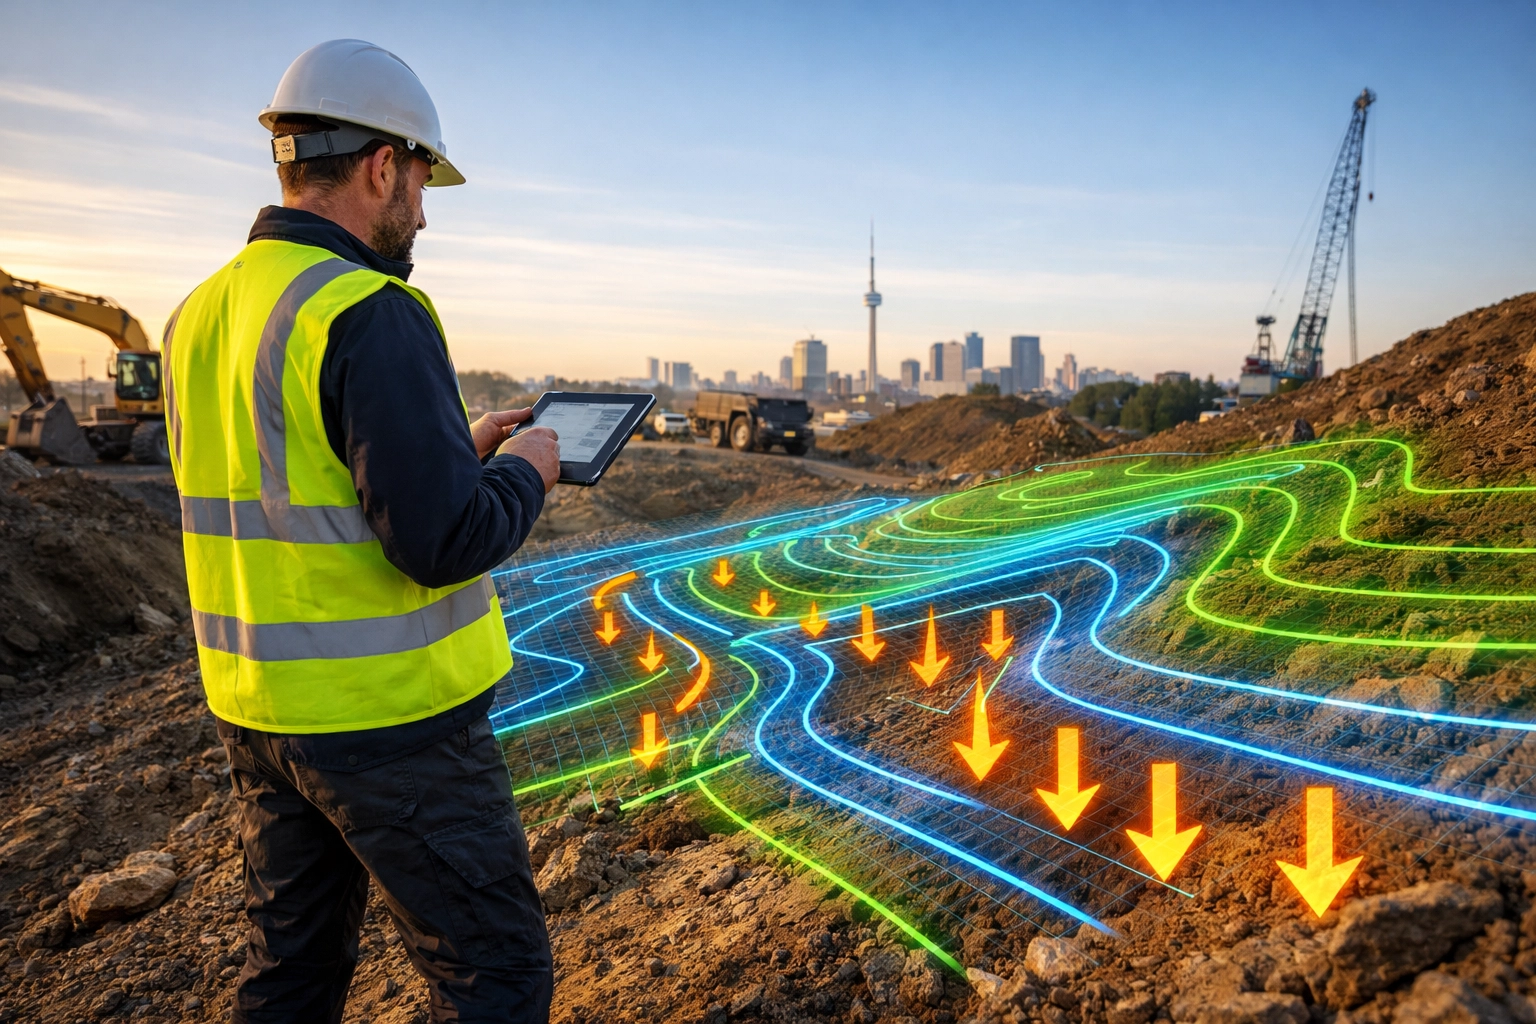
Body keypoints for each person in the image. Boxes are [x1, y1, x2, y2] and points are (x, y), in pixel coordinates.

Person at [161, 39, 559, 1023]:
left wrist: (440, 448)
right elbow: (441, 541)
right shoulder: (371, 311)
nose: (423, 210)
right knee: (495, 978)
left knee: (290, 974)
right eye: (422, 180)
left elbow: (284, 478)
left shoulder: (198, 315)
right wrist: (524, 473)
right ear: (383, 165)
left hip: (259, 710)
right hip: (390, 725)